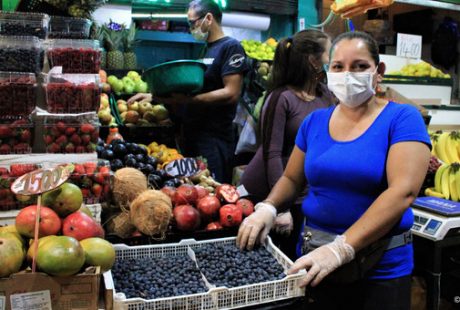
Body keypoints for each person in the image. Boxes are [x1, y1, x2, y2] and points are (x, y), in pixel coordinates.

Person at [236, 31, 431, 310]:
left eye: (360, 66)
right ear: (328, 71)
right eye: (339, 66)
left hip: (379, 267)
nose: (347, 74)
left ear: (379, 71)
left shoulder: (402, 118)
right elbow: (292, 178)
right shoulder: (315, 122)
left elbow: (403, 191)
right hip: (315, 258)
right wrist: (269, 207)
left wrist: (342, 248)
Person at [239, 29, 336, 260]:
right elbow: (271, 153)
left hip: (303, 190)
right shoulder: (281, 97)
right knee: (267, 259)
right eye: (329, 53)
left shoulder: (326, 96)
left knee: (297, 255)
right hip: (269, 188)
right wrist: (279, 207)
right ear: (313, 61)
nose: (332, 59)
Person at [128, 0, 249, 183]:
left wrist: (188, 101)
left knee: (210, 188)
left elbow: (231, 93)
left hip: (214, 139)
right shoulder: (205, 50)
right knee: (192, 188)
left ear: (208, 18)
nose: (191, 28)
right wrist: (155, 97)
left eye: (193, 22)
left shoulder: (231, 48)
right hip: (194, 134)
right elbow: (191, 89)